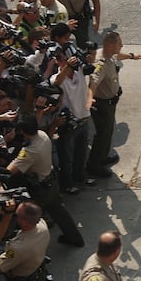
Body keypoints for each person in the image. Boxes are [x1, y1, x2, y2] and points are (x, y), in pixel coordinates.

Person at [7, 114, 85, 247]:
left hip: (40, 190)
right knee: (59, 212)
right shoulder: (42, 135)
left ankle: (26, 248)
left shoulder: (30, 151)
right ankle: (74, 238)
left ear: (22, 131)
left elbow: (9, 171)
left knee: (27, 218)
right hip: (51, 182)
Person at [87, 31, 141, 177]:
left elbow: (118, 56)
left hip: (110, 103)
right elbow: (93, 82)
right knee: (102, 135)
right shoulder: (101, 63)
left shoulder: (109, 54)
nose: (122, 45)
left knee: (108, 131)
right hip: (103, 104)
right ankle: (94, 166)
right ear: (111, 45)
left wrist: (131, 56)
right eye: (119, 43)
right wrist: (90, 98)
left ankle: (103, 157)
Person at [51, 43, 92, 195]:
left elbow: (90, 65)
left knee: (81, 154)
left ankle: (80, 178)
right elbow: (56, 83)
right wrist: (67, 66)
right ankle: (67, 184)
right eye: (62, 59)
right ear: (58, 61)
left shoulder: (80, 70)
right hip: (68, 124)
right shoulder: (56, 77)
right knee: (66, 158)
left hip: (84, 119)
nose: (67, 60)